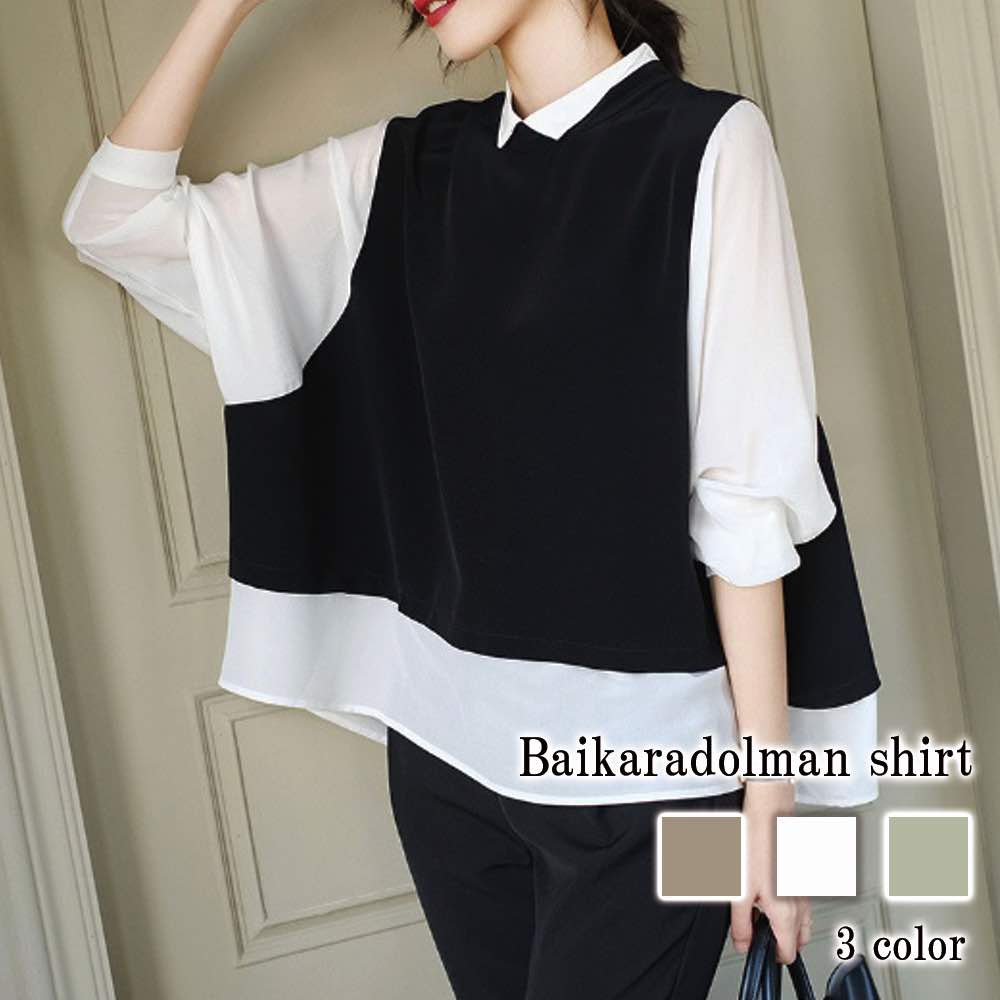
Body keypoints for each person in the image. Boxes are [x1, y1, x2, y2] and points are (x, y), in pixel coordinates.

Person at [61, 1, 881, 997]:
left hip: (645, 780)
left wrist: (769, 803)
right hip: (448, 767)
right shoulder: (406, 168)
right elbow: (114, 220)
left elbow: (743, 500)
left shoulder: (705, 144)